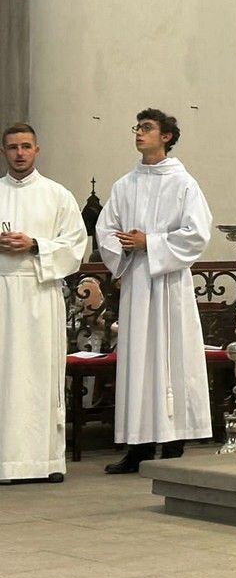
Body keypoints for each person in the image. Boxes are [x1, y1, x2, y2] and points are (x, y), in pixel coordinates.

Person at [97, 109, 213, 473]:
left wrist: (151, 242)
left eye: (147, 128)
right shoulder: (124, 185)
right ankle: (139, 445)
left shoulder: (184, 184)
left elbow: (198, 233)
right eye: (137, 127)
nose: (138, 133)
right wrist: (127, 248)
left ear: (166, 136)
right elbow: (106, 229)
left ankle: (174, 440)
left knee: (173, 357)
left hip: (170, 284)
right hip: (136, 283)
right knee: (137, 362)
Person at [0, 124, 88, 484]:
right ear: (3, 152)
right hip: (2, 294)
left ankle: (46, 461)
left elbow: (77, 246)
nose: (19, 153)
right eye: (12, 148)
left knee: (39, 376)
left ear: (38, 150)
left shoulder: (58, 195)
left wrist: (36, 244)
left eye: (25, 147)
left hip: (39, 295)